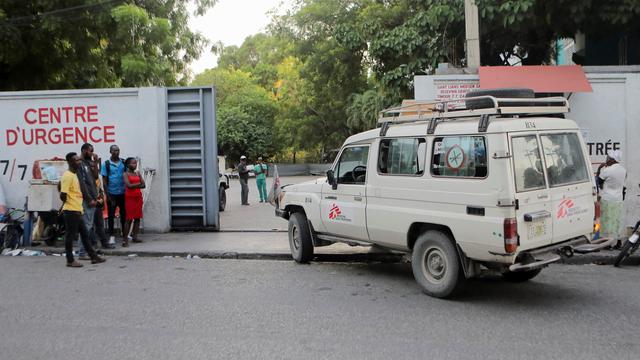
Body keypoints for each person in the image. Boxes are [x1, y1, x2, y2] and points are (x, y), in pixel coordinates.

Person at [60, 152, 105, 268]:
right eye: (76, 160)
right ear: (70, 162)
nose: (79, 162)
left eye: (79, 160)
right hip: (71, 211)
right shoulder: (68, 175)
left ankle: (93, 257)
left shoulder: (74, 175)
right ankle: (70, 260)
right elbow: (63, 195)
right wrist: (69, 205)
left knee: (85, 234)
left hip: (77, 210)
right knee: (70, 236)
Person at [596, 150, 627, 247]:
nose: (607, 160)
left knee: (607, 221)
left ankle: (608, 244)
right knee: (617, 220)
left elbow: (598, 182)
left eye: (608, 158)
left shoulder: (607, 170)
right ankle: (618, 242)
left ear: (613, 160)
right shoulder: (623, 170)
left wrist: (599, 169)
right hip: (618, 199)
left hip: (607, 199)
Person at [77, 143, 101, 260]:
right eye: (90, 151)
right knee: (86, 226)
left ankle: (89, 249)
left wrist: (95, 163)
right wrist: (89, 199)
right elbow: (82, 184)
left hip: (93, 197)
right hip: (86, 199)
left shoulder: (88, 163)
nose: (92, 153)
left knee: (90, 226)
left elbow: (96, 176)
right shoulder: (79, 163)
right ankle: (82, 252)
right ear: (84, 150)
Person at [101, 145, 126, 243]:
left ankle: (125, 233)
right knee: (111, 215)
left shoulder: (123, 163)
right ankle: (111, 235)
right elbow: (104, 181)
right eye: (114, 150)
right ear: (110, 151)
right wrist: (108, 195)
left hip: (123, 193)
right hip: (112, 193)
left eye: (118, 150)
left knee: (124, 214)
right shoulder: (106, 164)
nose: (117, 152)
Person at [122, 157, 145, 247]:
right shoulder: (125, 174)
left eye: (135, 163)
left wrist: (136, 185)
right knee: (129, 219)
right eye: (133, 163)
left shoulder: (138, 173)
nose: (135, 165)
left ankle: (135, 236)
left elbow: (144, 185)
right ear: (128, 165)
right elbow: (129, 185)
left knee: (137, 218)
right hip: (130, 198)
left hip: (138, 197)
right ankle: (125, 239)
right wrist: (138, 184)